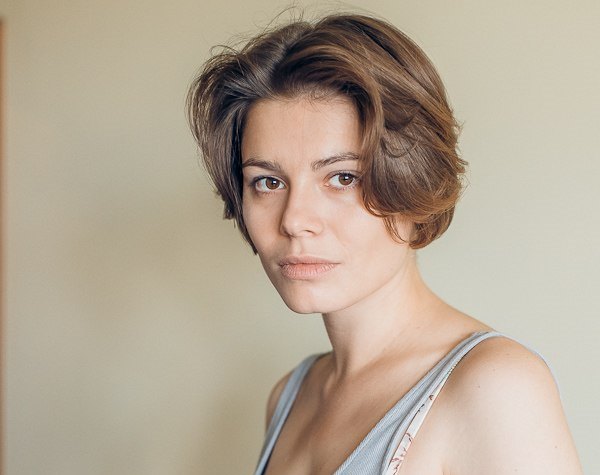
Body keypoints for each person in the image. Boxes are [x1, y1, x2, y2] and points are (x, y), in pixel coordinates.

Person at [187, 12, 582, 475]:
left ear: (414, 183)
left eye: (342, 178)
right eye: (268, 182)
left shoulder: (495, 389)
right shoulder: (290, 396)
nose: (294, 220)